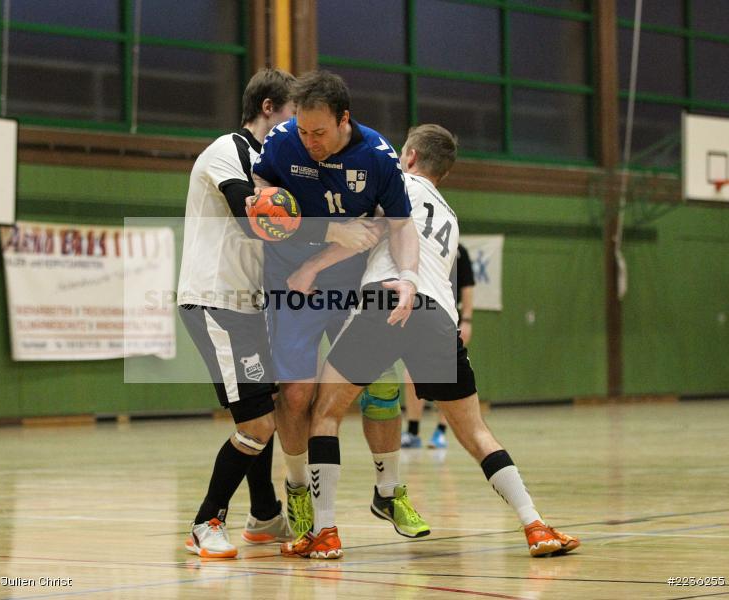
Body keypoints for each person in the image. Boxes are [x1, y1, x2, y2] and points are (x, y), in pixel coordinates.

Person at [281, 124, 580, 559]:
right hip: (439, 318)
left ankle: (324, 531)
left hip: (388, 301)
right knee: (476, 432)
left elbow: (371, 233)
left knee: (325, 413)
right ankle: (535, 523)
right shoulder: (451, 216)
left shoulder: (398, 184)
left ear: (411, 157)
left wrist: (311, 267)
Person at [252, 70, 429, 540]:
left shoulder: (377, 157)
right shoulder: (283, 143)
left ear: (344, 119)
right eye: (303, 130)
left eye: (319, 132)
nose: (308, 140)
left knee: (384, 387)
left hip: (354, 283)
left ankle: (389, 491)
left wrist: (409, 279)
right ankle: (296, 489)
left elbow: (400, 226)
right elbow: (259, 201)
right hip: (293, 283)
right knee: (294, 394)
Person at [176, 69, 299, 558]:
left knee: (262, 410)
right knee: (256, 425)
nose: (298, 127)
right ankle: (206, 522)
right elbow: (249, 214)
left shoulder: (272, 166)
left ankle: (265, 515)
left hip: (247, 304)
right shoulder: (229, 149)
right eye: (293, 115)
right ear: (269, 107)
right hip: (215, 300)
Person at [401, 243, 474, 449]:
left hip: (449, 319)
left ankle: (440, 432)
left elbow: (467, 287)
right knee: (410, 373)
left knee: (446, 374)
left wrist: (467, 320)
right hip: (421, 316)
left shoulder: (459, 251)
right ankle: (413, 431)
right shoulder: (418, 244)